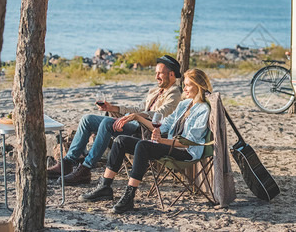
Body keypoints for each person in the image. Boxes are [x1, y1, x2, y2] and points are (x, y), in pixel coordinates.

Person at [80, 68, 212, 214]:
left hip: (185, 152)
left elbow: (189, 142)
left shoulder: (203, 109)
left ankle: (129, 197)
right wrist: (137, 117)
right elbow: (163, 125)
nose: (185, 88)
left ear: (198, 86)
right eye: (184, 85)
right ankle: (105, 187)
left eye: (188, 85)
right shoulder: (184, 104)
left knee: (143, 146)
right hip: (170, 144)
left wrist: (161, 141)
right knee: (120, 140)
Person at [47, 55, 182, 186]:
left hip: (142, 131)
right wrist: (113, 107)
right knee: (86, 119)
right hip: (132, 123)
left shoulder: (174, 94)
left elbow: (159, 114)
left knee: (107, 123)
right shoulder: (155, 91)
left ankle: (86, 169)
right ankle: (67, 163)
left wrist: (135, 116)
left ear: (171, 75)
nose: (156, 77)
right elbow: (137, 107)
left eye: (160, 73)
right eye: (156, 73)